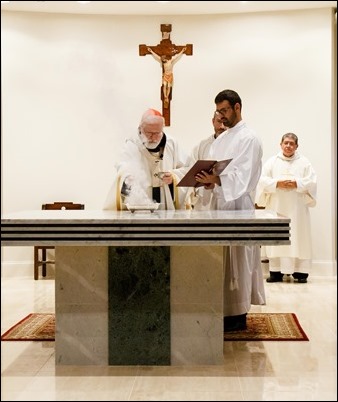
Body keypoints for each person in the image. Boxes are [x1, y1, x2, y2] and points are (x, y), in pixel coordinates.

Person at [195, 89, 266, 331]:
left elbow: (243, 178)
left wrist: (216, 180)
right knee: (220, 259)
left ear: (237, 107)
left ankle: (237, 313)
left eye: (225, 110)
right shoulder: (222, 138)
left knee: (238, 259)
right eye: (218, 112)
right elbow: (216, 170)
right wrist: (207, 180)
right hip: (218, 204)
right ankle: (220, 309)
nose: (221, 116)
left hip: (238, 207)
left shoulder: (249, 138)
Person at [255, 133, 317, 283]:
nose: (288, 146)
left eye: (291, 143)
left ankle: (300, 272)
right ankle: (276, 272)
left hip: (298, 209)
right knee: (277, 237)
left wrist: (297, 184)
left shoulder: (304, 162)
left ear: (296, 146)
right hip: (277, 207)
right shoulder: (272, 162)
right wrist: (277, 184)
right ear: (281, 144)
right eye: (286, 143)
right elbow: (262, 180)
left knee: (298, 237)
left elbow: (312, 182)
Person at [103, 108, 189, 210]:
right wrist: (128, 177)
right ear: (140, 128)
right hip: (140, 200)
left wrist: (173, 177)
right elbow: (123, 167)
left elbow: (186, 169)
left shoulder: (171, 143)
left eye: (158, 133)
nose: (154, 138)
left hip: (166, 200)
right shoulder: (132, 144)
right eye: (149, 133)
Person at [185, 112, 227, 210]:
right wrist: (206, 184)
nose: (222, 126)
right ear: (213, 121)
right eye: (219, 121)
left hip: (226, 201)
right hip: (204, 203)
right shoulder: (201, 146)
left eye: (225, 122)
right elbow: (191, 173)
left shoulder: (235, 146)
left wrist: (216, 183)